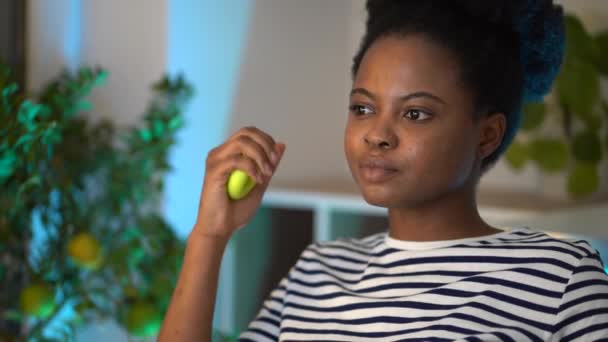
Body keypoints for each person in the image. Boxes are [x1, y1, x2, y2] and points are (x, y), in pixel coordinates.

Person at [159, 0, 608, 341]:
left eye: (415, 114)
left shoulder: (557, 276)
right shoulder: (315, 270)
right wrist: (209, 236)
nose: (377, 134)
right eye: (362, 107)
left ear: (486, 134)